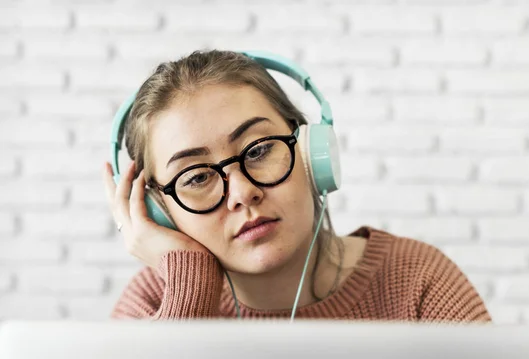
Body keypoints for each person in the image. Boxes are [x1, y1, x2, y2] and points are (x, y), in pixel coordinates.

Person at [102, 49, 491, 323]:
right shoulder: (152, 306)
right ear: (157, 210)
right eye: (197, 177)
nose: (242, 194)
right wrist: (190, 284)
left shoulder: (417, 282)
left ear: (310, 153)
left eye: (258, 150)